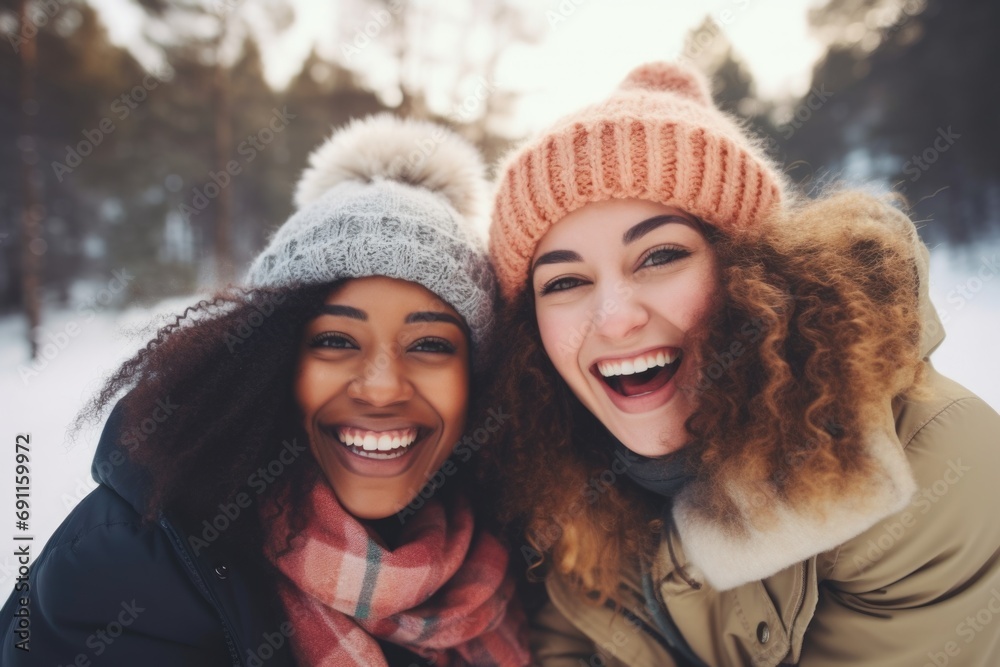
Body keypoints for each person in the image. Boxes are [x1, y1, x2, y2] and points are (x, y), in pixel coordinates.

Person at [484, 61, 1000, 666]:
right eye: (566, 281)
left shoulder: (926, 464)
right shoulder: (564, 487)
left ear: (754, 269)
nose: (615, 318)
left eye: (660, 256)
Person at [1, 115, 529, 667]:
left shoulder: (519, 548)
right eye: (334, 339)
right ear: (267, 361)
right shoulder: (126, 575)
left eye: (429, 346)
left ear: (477, 377)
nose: (381, 388)